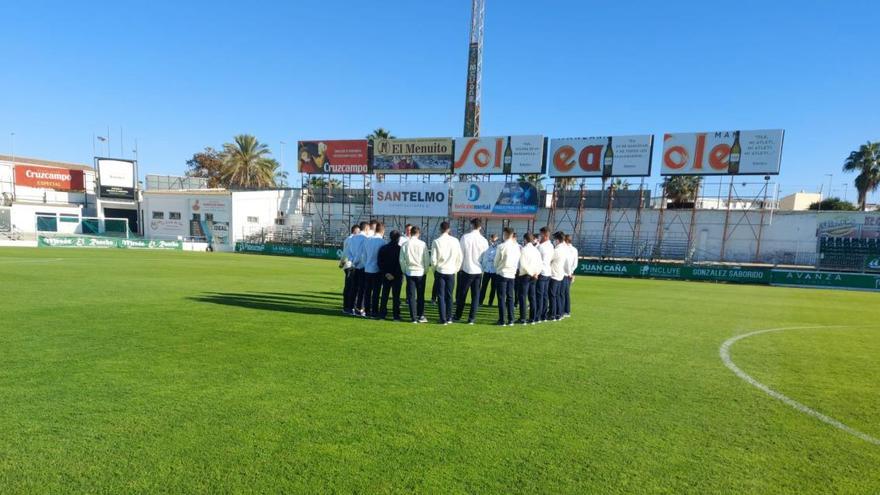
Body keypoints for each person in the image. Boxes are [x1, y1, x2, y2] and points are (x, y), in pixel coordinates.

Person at [455, 218, 489, 324]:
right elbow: (485, 257)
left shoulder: (465, 237)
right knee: (475, 295)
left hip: (467, 269)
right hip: (478, 271)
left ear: (471, 225)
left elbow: (460, 254)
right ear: (480, 226)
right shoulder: (484, 240)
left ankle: (458, 315)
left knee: (462, 294)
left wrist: (459, 267)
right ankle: (472, 318)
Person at [431, 221, 463, 325]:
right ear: (449, 229)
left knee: (440, 295)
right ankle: (449, 317)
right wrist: (456, 269)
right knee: (449, 295)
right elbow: (460, 257)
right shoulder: (455, 241)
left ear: (440, 229)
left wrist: (434, 270)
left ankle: (443, 318)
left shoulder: (436, 241)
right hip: (451, 271)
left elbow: (433, 259)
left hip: (440, 270)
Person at [399, 226, 430, 323]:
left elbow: (401, 260)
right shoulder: (422, 244)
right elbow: (426, 259)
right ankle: (421, 315)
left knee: (411, 296)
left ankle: (413, 317)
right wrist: (425, 270)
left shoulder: (405, 244)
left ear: (410, 233)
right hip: (420, 271)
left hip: (410, 271)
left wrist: (404, 270)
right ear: (418, 233)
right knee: (421, 295)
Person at [493, 227, 521, 327]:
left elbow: (496, 261)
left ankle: (502, 320)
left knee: (501, 297)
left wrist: (497, 267)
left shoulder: (501, 246)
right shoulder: (517, 246)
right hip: (512, 274)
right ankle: (511, 319)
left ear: (505, 234)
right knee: (510, 297)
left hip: (502, 273)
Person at [359, 222, 386, 318]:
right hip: (377, 270)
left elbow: (363, 256)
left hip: (367, 269)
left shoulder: (367, 240)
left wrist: (367, 264)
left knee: (367, 292)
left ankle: (367, 311)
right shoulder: (383, 242)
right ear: (383, 231)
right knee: (376, 292)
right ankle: (374, 311)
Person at [517, 232, 542, 325]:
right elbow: (540, 264)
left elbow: (523, 264)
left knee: (523, 297)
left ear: (525, 239)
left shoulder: (524, 250)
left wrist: (531, 273)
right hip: (534, 276)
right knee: (532, 297)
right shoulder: (536, 251)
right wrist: (536, 273)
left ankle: (523, 318)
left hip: (525, 276)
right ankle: (532, 318)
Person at [378, 230, 403, 321]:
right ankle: (396, 315)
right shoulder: (400, 249)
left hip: (386, 275)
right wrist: (395, 274)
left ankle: (382, 315)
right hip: (397, 276)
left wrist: (386, 273)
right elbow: (401, 264)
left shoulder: (383, 248)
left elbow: (380, 262)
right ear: (399, 238)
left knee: (384, 295)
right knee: (396, 297)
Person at [346, 221, 370, 316]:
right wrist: (357, 261)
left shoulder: (352, 238)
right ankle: (359, 308)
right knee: (362, 289)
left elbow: (349, 252)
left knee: (354, 287)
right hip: (361, 266)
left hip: (354, 266)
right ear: (366, 228)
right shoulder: (366, 238)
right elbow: (362, 253)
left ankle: (350, 307)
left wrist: (353, 261)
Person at [339, 224, 360, 314]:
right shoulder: (352, 239)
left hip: (347, 265)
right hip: (351, 265)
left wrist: (341, 263)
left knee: (348, 286)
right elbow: (346, 252)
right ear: (355, 231)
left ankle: (347, 306)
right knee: (351, 287)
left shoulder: (347, 239)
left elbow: (344, 253)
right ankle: (349, 306)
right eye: (358, 232)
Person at [548, 231, 567, 322]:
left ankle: (553, 314)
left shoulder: (557, 250)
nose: (554, 241)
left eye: (554, 239)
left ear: (558, 240)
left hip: (554, 274)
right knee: (558, 295)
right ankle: (559, 313)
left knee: (552, 295)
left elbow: (549, 259)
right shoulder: (564, 249)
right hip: (560, 274)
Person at [536, 227, 554, 323]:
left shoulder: (541, 247)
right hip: (548, 272)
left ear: (544, 235)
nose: (539, 237)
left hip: (541, 272)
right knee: (544, 295)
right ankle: (543, 315)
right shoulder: (551, 246)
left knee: (539, 295)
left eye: (540, 235)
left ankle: (538, 315)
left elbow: (538, 261)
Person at [479, 234, 498, 307]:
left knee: (493, 288)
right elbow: (484, 258)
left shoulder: (498, 248)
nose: (492, 242)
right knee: (483, 286)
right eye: (491, 240)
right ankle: (480, 301)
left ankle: (490, 302)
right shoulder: (487, 248)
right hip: (487, 270)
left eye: (494, 240)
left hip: (494, 270)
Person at [563, 234, 579, 318]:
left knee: (562, 293)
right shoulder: (575, 249)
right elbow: (575, 263)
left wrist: (569, 272)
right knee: (566, 293)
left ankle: (564, 310)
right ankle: (566, 310)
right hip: (570, 273)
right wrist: (571, 272)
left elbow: (567, 262)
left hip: (565, 273)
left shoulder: (566, 249)